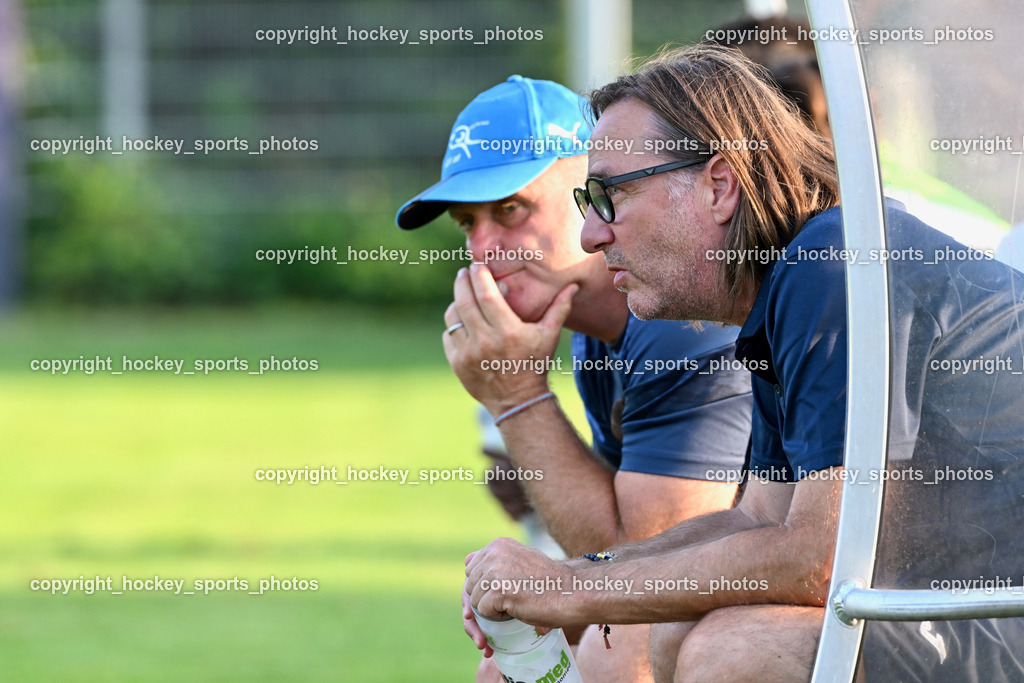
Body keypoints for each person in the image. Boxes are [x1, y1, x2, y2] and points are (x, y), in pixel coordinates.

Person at [464, 45, 1024, 682]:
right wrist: (572, 578)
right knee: (676, 627)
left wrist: (572, 593)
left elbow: (822, 560)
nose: (592, 233)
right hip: (971, 612)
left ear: (719, 185)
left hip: (1001, 612)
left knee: (734, 649)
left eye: (609, 195)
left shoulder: (834, 266)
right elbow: (759, 518)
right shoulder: (795, 279)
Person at [396, 75, 753, 681]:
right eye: (466, 224)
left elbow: (640, 577)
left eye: (510, 210)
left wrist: (516, 398)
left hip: (871, 612)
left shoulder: (675, 319)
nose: (482, 250)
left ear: (590, 187)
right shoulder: (596, 330)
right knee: (509, 668)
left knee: (612, 656)